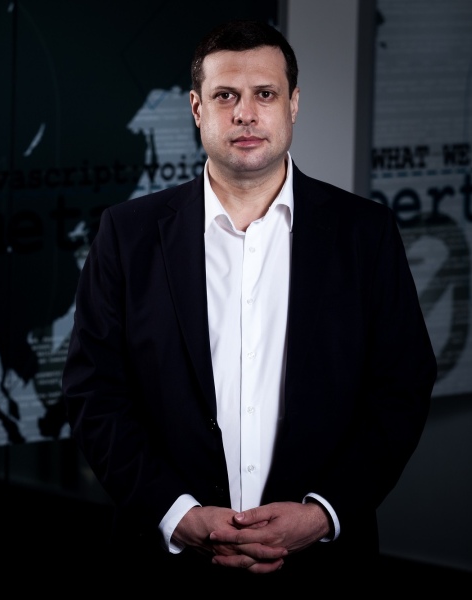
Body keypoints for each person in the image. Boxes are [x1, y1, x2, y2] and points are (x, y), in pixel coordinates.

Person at [61, 19, 437, 589]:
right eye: (225, 96)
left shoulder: (365, 233)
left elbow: (400, 389)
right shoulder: (127, 234)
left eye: (265, 94)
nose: (245, 113)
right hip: (164, 564)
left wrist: (323, 512)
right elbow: (95, 393)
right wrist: (176, 513)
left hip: (325, 566)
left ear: (293, 104)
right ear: (196, 108)